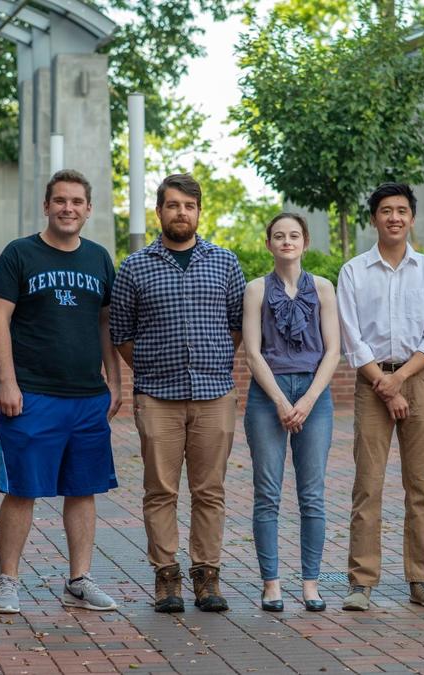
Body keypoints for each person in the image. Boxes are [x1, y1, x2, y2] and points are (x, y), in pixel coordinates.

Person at [0, 170, 122, 614]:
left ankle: (79, 580)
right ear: (46, 206)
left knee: (83, 489)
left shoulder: (99, 259)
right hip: (33, 395)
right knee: (22, 489)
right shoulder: (20, 254)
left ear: (88, 209)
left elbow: (105, 323)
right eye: (60, 200)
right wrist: (7, 381)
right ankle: (8, 582)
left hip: (86, 396)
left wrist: (114, 381)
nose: (68, 208)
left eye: (77, 201)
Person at [109, 173, 247, 613]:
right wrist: (152, 367)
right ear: (159, 211)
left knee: (209, 490)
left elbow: (237, 326)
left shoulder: (225, 262)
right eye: (172, 205)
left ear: (199, 212)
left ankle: (207, 577)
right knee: (160, 490)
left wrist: (208, 363)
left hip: (214, 395)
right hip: (157, 397)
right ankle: (166, 578)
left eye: (188, 206)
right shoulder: (135, 267)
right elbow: (121, 333)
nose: (180, 213)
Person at [336, 182, 424, 611]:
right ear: (374, 218)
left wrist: (399, 380)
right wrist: (385, 386)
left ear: (412, 217)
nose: (394, 217)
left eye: (402, 210)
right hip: (371, 384)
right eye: (386, 210)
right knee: (367, 486)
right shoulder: (353, 272)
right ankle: (361, 582)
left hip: (417, 381)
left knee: (419, 486)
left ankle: (420, 579)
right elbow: (353, 337)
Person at [241, 213, 340, 613]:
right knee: (267, 494)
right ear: (269, 245)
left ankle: (312, 584)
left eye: (294, 235)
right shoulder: (255, 290)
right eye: (279, 236)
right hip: (268, 396)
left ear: (305, 242)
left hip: (314, 396)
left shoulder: (324, 288)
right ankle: (271, 584)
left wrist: (308, 400)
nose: (287, 241)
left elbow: (334, 351)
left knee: (312, 495)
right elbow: (251, 352)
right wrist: (282, 402)